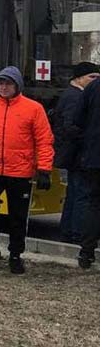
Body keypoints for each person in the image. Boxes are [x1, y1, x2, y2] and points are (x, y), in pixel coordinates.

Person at [0, 67, 53, 275]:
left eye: (8, 84)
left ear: (17, 86)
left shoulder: (34, 109)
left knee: (18, 216)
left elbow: (44, 140)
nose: (3, 87)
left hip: (21, 171)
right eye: (1, 83)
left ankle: (15, 254)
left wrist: (44, 169)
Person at [53, 62, 99, 243]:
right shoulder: (75, 97)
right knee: (82, 194)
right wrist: (89, 138)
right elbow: (70, 127)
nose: (96, 81)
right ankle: (78, 232)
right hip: (77, 154)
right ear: (78, 78)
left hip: (72, 153)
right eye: (92, 77)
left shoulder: (71, 94)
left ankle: (68, 230)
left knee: (74, 193)